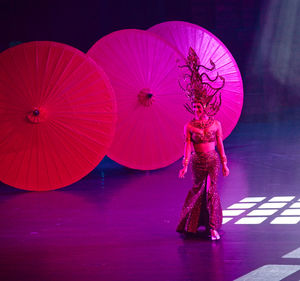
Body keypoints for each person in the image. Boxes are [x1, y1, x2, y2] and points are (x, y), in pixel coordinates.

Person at [176, 47, 229, 240]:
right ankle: (192, 223)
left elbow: (220, 143)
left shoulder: (216, 124)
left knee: (211, 191)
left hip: (213, 160)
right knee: (198, 189)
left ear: (205, 106)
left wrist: (224, 163)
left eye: (199, 106)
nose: (196, 109)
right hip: (198, 162)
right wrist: (184, 165)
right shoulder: (189, 125)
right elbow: (187, 146)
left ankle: (213, 227)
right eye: (194, 106)